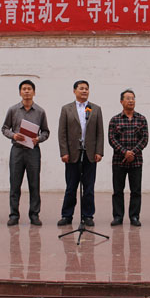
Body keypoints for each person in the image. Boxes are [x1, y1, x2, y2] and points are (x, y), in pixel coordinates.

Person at [2, 79, 50, 226]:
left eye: (29, 89)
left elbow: (46, 132)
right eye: (24, 89)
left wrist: (38, 139)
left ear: (34, 92)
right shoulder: (13, 110)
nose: (27, 91)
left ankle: (34, 214)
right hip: (17, 150)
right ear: (20, 92)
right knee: (14, 184)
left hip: (33, 151)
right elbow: (4, 128)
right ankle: (14, 215)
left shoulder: (40, 111)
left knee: (34, 184)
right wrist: (13, 135)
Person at [57, 80, 104, 227]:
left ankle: (88, 215)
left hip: (90, 154)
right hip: (72, 154)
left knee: (88, 188)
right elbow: (62, 132)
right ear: (74, 91)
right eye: (81, 88)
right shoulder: (66, 109)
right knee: (71, 187)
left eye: (86, 89)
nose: (84, 91)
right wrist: (64, 152)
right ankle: (67, 215)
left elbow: (100, 132)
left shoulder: (95, 109)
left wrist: (99, 151)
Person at [108, 89, 148, 227]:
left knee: (136, 191)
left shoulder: (141, 119)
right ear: (121, 101)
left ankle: (134, 216)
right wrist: (125, 152)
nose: (131, 101)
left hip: (136, 161)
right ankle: (118, 216)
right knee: (118, 191)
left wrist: (132, 153)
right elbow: (112, 139)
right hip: (119, 161)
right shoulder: (115, 120)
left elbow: (144, 139)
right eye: (128, 98)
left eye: (133, 98)